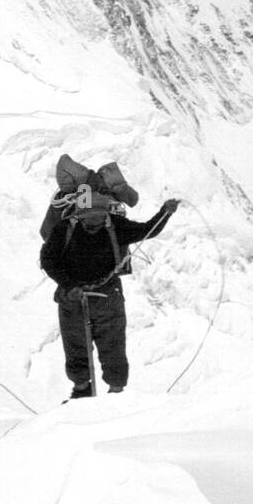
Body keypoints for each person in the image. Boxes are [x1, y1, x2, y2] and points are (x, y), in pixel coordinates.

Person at [39, 162, 178, 399]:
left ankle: (101, 392)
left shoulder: (79, 227)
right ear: (80, 215)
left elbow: (147, 230)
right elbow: (48, 259)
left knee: (90, 345)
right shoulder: (95, 226)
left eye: (97, 219)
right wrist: (69, 285)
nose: (92, 224)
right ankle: (97, 391)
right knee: (98, 345)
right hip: (99, 295)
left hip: (81, 297)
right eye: (88, 219)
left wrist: (165, 212)